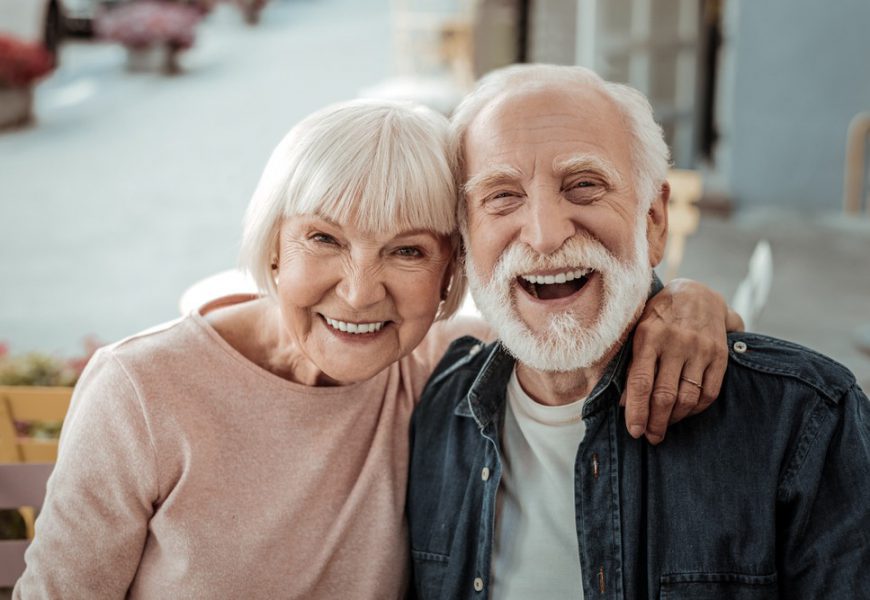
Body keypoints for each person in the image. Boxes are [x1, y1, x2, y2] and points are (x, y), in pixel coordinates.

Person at [15, 99, 736, 599]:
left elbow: (585, 321)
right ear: (272, 246)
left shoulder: (441, 368)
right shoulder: (141, 391)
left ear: (452, 274)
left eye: (406, 251)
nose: (360, 293)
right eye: (323, 239)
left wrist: (687, 302)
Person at [407, 64, 870, 599]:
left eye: (583, 186)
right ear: (466, 240)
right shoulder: (434, 409)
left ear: (653, 222)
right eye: (503, 196)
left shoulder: (804, 422)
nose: (544, 234)